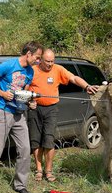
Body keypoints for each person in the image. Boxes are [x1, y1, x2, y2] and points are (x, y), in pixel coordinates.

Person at [0, 41, 44, 193]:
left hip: (19, 114)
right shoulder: (8, 65)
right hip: (3, 113)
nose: (39, 61)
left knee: (24, 150)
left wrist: (31, 102)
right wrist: (1, 93)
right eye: (37, 57)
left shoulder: (30, 72)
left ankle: (20, 185)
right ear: (28, 53)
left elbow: (24, 93)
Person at [28, 49, 99, 182]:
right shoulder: (32, 70)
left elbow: (73, 78)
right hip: (35, 109)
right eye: (47, 61)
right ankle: (38, 170)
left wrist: (87, 86)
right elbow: (24, 89)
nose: (50, 64)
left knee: (49, 141)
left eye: (52, 61)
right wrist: (28, 102)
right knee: (35, 141)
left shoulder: (58, 69)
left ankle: (48, 171)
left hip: (51, 109)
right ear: (40, 60)